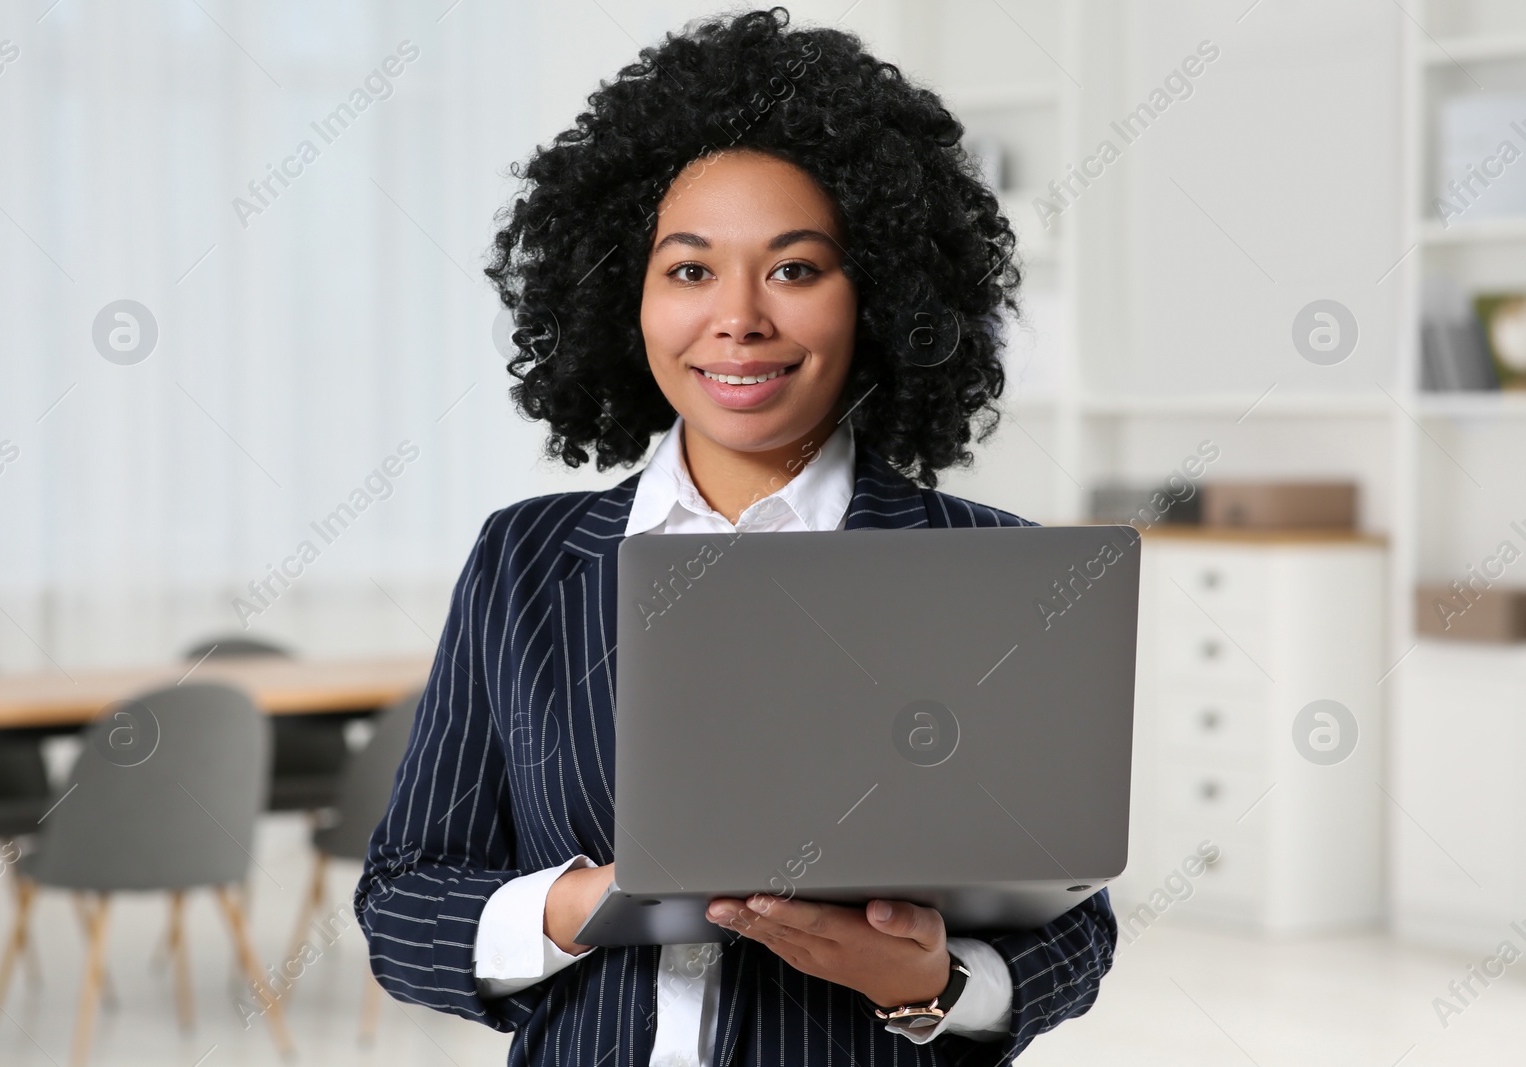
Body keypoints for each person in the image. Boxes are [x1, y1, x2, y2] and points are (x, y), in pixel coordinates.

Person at [355, 8, 1115, 1065]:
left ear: (881, 297)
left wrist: (929, 984)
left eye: (796, 269)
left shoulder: (984, 565)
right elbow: (403, 905)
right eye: (689, 269)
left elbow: (1076, 927)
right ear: (626, 297)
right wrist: (587, 904)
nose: (739, 317)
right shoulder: (526, 560)